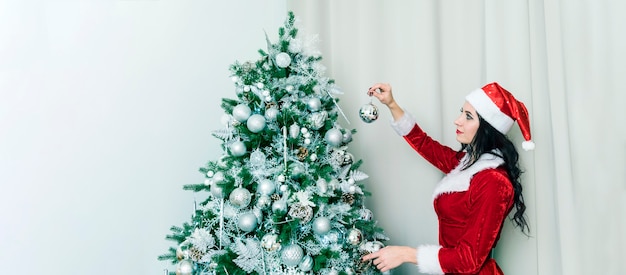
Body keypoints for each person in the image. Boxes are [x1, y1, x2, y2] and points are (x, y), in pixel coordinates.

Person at [361, 82, 533, 275]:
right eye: (462, 112)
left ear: (488, 128)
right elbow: (425, 144)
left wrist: (406, 254)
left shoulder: (494, 182)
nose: (457, 121)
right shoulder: (467, 165)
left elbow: (469, 260)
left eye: (468, 117)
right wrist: (391, 104)